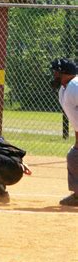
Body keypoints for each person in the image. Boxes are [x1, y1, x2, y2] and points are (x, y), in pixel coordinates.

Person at [51, 58, 78, 206]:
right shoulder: (65, 88)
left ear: (66, 73)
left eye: (57, 72)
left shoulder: (75, 86)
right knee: (74, 156)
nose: (55, 74)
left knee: (74, 156)